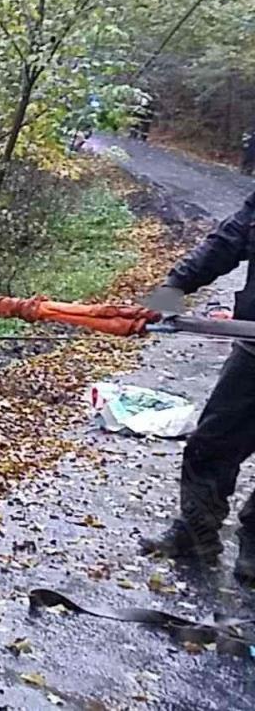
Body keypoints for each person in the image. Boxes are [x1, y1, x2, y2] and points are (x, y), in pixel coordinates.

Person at [139, 192, 255, 583]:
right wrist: (170, 290)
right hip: (254, 348)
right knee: (212, 444)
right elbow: (225, 243)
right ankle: (196, 528)